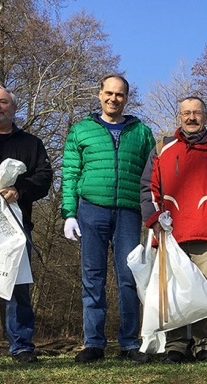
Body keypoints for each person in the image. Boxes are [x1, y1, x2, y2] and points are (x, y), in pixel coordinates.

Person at [141, 97, 207, 363]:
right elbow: (148, 189)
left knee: (206, 291)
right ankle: (176, 345)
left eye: (197, 113)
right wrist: (154, 222)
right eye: (186, 113)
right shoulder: (162, 148)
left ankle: (203, 345)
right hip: (170, 235)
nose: (191, 118)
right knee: (172, 291)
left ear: (206, 117)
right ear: (180, 117)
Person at [62, 75, 155, 364]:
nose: (114, 99)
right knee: (93, 277)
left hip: (129, 211)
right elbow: (70, 174)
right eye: (109, 93)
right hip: (91, 209)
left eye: (120, 94)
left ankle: (129, 342)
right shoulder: (81, 131)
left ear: (127, 98)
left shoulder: (141, 131)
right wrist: (69, 213)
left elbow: (153, 175)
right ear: (100, 94)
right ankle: (94, 343)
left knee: (129, 277)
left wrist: (153, 211)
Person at [0, 85, 52, 363]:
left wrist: (19, 190)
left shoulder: (31, 144)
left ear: (14, 107)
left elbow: (44, 178)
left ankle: (21, 346)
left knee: (18, 286)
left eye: (3, 102)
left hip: (16, 228)